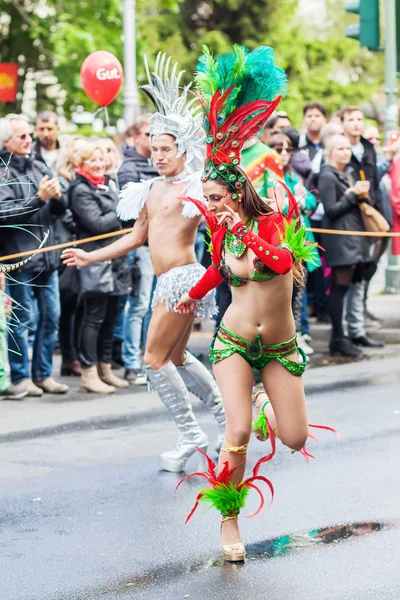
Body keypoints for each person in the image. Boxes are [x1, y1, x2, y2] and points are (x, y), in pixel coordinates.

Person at [176, 45, 334, 563]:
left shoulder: (267, 222)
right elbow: (214, 275)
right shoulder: (221, 235)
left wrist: (241, 225)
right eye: (207, 202)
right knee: (237, 432)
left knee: (293, 438)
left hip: (282, 347)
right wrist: (189, 299)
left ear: (238, 192)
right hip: (235, 344)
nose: (211, 209)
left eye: (216, 200)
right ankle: (229, 519)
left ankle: (270, 402)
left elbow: (283, 264)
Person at [62, 53, 225, 470]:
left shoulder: (196, 186)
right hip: (164, 281)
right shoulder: (151, 189)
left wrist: (205, 284)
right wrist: (88, 255)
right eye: (154, 149)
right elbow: (135, 237)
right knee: (175, 357)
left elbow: (222, 232)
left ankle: (191, 433)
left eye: (166, 149)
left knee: (151, 360)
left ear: (183, 148)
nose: (158, 156)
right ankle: (225, 420)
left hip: (184, 280)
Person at [0, 114, 69, 396]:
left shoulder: (39, 164)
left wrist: (56, 197)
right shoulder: (2, 171)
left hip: (47, 258)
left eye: (29, 134)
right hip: (19, 259)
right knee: (22, 319)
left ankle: (42, 374)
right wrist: (38, 199)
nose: (30, 140)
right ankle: (20, 377)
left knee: (51, 317)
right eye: (22, 136)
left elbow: (59, 210)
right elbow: (4, 214)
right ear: (6, 142)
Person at [68, 141, 131, 393]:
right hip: (94, 261)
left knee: (111, 317)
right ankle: (88, 373)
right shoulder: (80, 189)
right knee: (93, 317)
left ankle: (105, 369)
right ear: (81, 164)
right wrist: (123, 205)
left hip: (116, 260)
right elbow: (97, 224)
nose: (98, 164)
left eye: (101, 159)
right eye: (92, 160)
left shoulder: (109, 183)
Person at [318, 134, 373, 357]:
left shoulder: (346, 173)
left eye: (347, 149)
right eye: (340, 149)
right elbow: (330, 209)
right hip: (340, 240)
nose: (345, 153)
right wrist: (352, 195)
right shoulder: (327, 176)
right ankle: (338, 338)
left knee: (348, 286)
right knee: (339, 288)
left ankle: (344, 336)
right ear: (330, 152)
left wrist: (361, 194)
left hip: (352, 238)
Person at [115, 114, 158, 385]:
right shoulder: (128, 166)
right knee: (139, 304)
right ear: (136, 137)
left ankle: (153, 359)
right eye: (148, 134)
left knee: (157, 305)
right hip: (142, 245)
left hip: (162, 245)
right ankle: (132, 362)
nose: (153, 140)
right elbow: (131, 204)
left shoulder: (163, 165)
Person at [269, 133, 321, 355]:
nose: (283, 154)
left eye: (287, 149)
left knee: (298, 291)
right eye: (278, 149)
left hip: (297, 239)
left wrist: (300, 200)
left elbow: (310, 201)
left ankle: (297, 335)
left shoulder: (292, 177)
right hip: (274, 241)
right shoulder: (268, 176)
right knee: (277, 295)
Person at [340, 107, 384, 348]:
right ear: (343, 122)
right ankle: (345, 331)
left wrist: (376, 211)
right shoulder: (338, 146)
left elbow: (374, 182)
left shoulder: (368, 148)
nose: (356, 124)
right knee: (345, 277)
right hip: (347, 221)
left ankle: (357, 327)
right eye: (351, 119)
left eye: (359, 120)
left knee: (362, 274)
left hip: (369, 216)